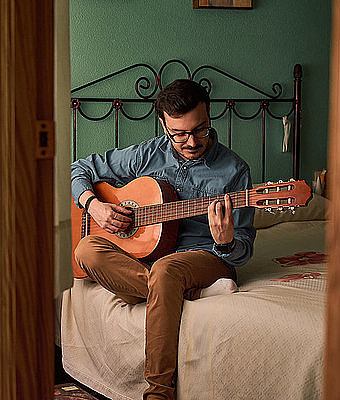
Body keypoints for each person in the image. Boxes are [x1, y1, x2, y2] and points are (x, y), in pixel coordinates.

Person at [71, 79, 256, 400]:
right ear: (164, 125)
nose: (191, 141)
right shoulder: (148, 154)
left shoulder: (234, 170)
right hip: (148, 257)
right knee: (86, 249)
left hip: (203, 256)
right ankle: (191, 295)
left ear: (209, 117)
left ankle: (158, 392)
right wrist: (94, 205)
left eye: (200, 130)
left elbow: (241, 252)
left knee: (166, 270)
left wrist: (226, 242)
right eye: (179, 134)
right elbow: (79, 168)